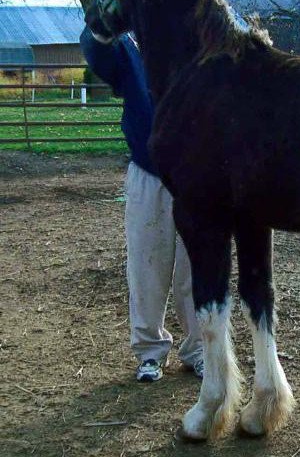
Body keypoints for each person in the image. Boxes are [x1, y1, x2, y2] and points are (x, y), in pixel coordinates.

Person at [80, 26, 204, 382]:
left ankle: (199, 348)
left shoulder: (200, 42)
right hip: (148, 173)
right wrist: (103, 15)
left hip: (196, 176)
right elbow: (96, 50)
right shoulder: (129, 48)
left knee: (195, 271)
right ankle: (150, 351)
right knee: (146, 266)